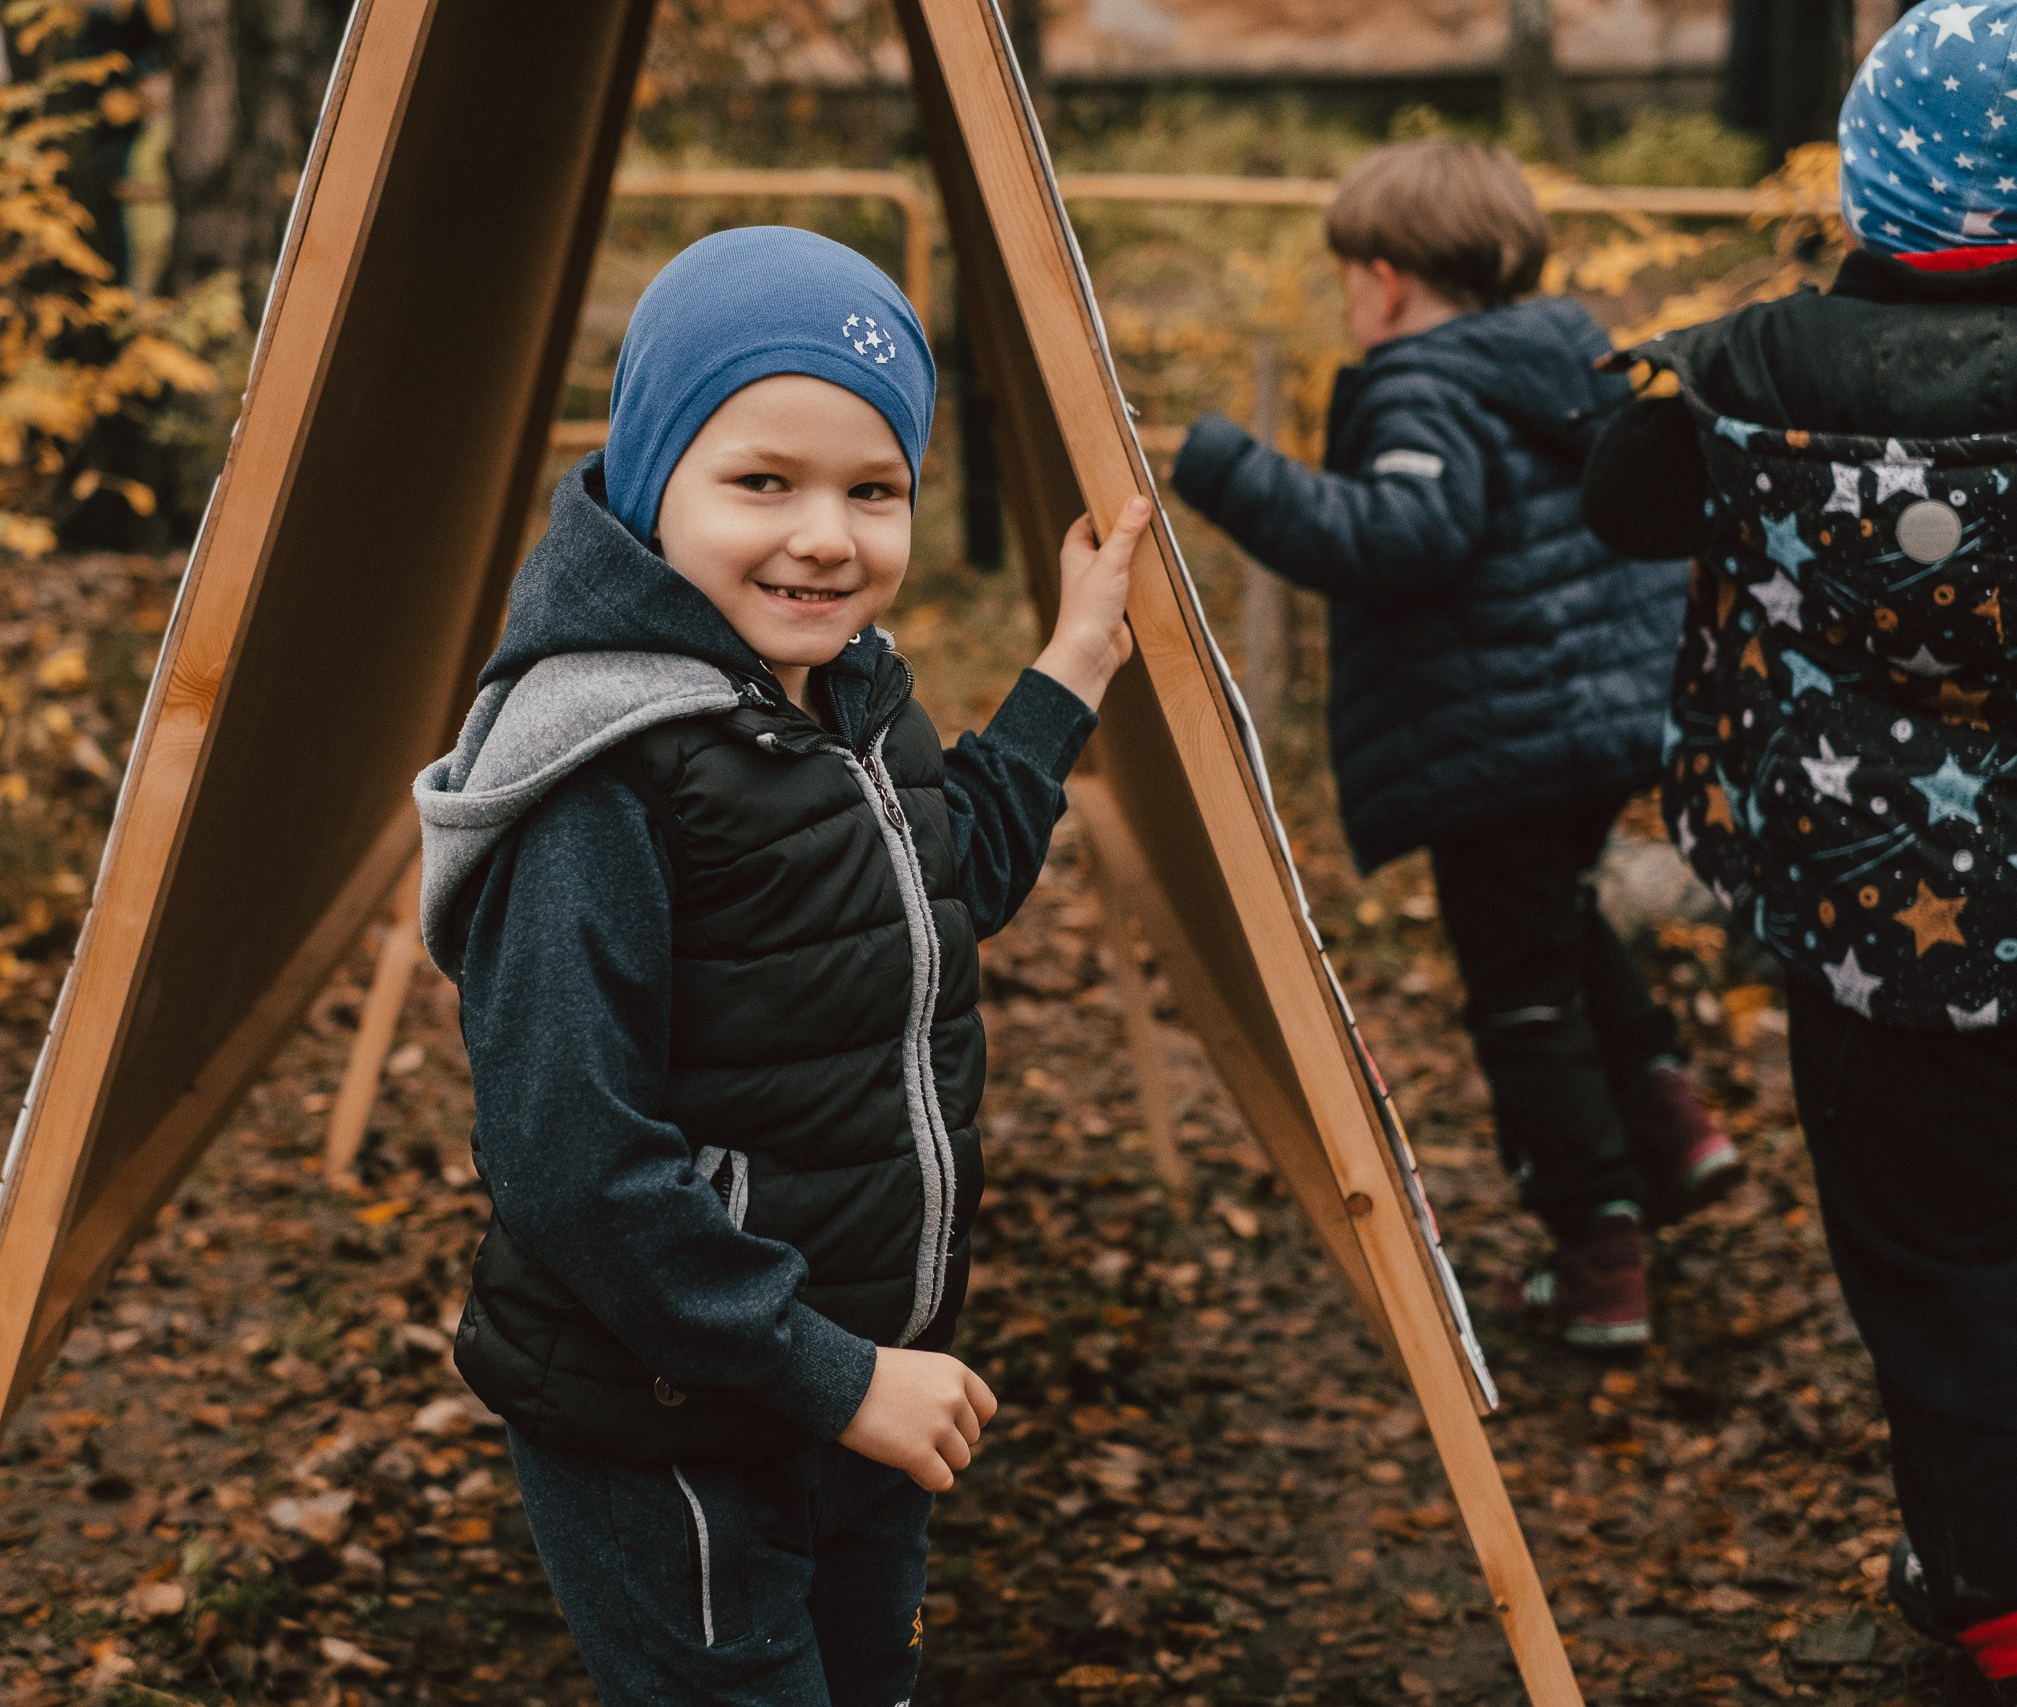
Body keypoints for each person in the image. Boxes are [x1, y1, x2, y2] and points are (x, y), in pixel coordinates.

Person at [412, 226, 1140, 1706]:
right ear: (651, 475)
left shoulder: (840, 695)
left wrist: (1069, 672)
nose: (825, 535)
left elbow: (945, 884)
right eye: (764, 481)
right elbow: (575, 1162)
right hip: (674, 1412)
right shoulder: (604, 771)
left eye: (873, 492)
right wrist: (839, 1372)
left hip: (851, 1373)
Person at [1581, 2, 2017, 1692]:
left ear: (1870, 177)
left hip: (1876, 930)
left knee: (1931, 1255)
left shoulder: (1737, 372)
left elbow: (1616, 497)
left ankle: (1985, 1587)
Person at [1167, 139, 1740, 1353]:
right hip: (1593, 726)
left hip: (1503, 743)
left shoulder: (1417, 381)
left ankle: (1600, 1255)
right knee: (1556, 921)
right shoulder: (1555, 363)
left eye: (1344, 285)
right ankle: (1672, 1120)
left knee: (1518, 991)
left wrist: (1222, 466)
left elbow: (1401, 537)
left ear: (1381, 280)